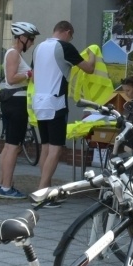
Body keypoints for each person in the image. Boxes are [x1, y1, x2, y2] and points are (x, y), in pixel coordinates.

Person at [31, 21, 101, 191]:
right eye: (71, 37)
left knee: (45, 147)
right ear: (67, 32)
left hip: (39, 102)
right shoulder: (64, 47)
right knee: (56, 149)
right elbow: (89, 69)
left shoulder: (38, 48)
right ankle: (43, 191)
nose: (71, 40)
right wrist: (93, 53)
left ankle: (44, 186)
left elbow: (33, 76)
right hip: (56, 103)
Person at [0, 22, 39, 199]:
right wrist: (30, 74)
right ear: (22, 37)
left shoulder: (16, 54)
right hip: (16, 103)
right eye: (31, 38)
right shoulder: (13, 53)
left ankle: (1, 184)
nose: (32, 42)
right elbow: (12, 79)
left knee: (8, 146)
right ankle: (6, 187)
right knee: (13, 147)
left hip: (12, 102)